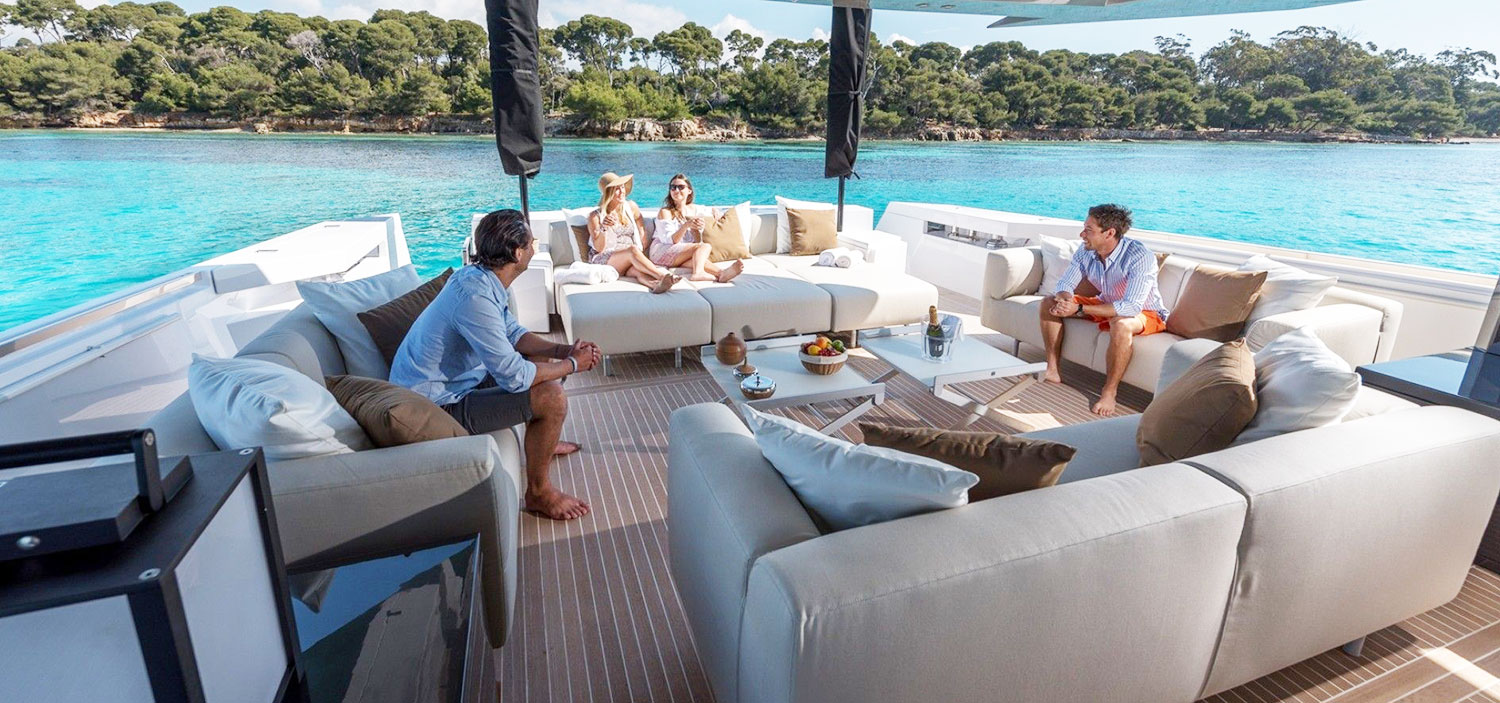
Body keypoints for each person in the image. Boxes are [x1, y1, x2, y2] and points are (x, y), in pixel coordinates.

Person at [391, 209, 601, 521]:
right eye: (531, 242)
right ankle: (539, 494)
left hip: (461, 381)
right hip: (435, 404)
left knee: (539, 359)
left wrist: (563, 349)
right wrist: (573, 363)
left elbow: (514, 334)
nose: (534, 246)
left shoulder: (478, 278)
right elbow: (515, 377)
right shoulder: (474, 299)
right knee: (552, 397)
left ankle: (544, 441)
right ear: (517, 253)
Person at [1040, 203, 1169, 417]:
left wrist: (1079, 308)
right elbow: (1066, 284)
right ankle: (1052, 369)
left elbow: (1131, 306)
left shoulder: (1140, 256)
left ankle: (1109, 392)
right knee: (1048, 303)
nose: (1082, 234)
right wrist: (1064, 300)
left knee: (1121, 324)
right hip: (1106, 302)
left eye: (1088, 230)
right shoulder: (1086, 250)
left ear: (1109, 233)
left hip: (1145, 313)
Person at [588, 172, 678, 294]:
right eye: (616, 189)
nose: (622, 191)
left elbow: (638, 218)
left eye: (622, 187)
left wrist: (642, 233)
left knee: (636, 270)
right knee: (632, 250)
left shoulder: (630, 207)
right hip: (605, 259)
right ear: (608, 193)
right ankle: (662, 276)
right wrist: (604, 228)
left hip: (628, 259)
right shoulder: (595, 216)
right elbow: (599, 248)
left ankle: (655, 285)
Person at [652, 173, 744, 283]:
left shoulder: (695, 209)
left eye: (681, 187)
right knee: (704, 246)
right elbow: (670, 241)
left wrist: (715, 211)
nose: (676, 190)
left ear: (689, 191)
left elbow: (710, 210)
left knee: (696, 259)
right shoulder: (665, 212)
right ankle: (698, 273)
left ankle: (721, 273)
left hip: (680, 253)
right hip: (661, 250)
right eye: (673, 187)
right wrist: (686, 226)